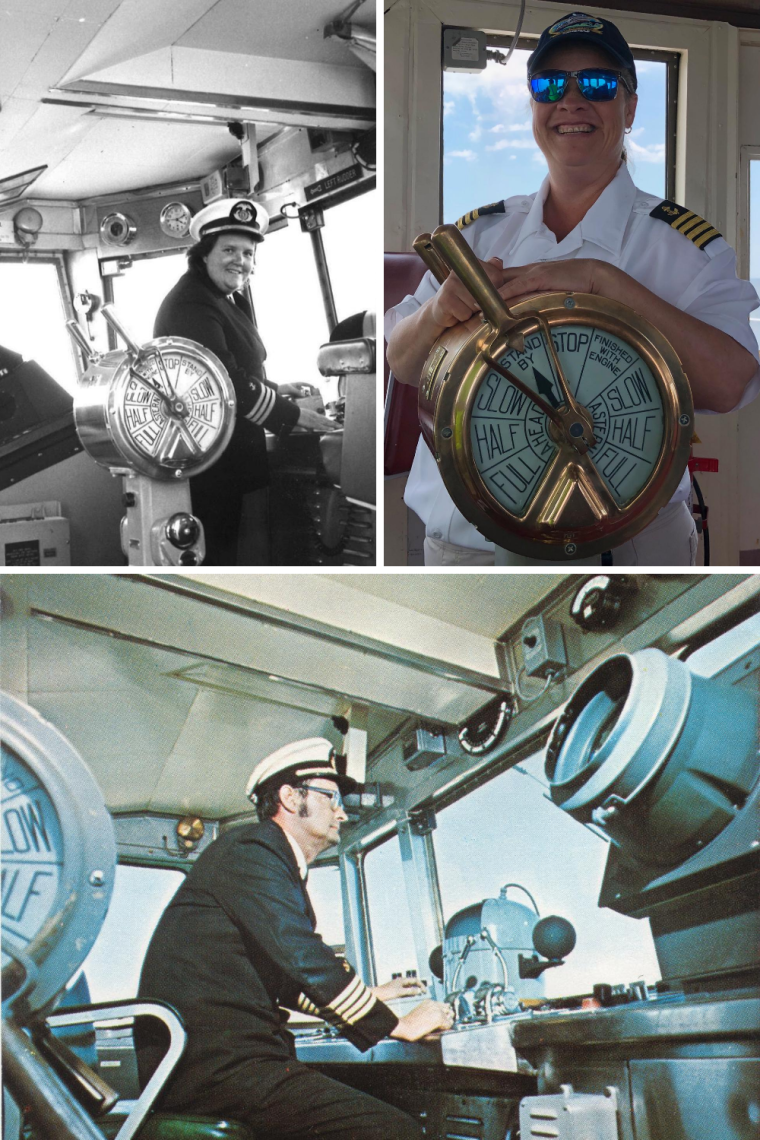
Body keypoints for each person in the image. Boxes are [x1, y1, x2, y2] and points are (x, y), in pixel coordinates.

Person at [386, 10, 760, 567]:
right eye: (550, 84)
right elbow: (402, 360)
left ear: (630, 108)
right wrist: (440, 310)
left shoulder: (683, 248)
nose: (572, 100)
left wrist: (601, 281)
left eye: (599, 85)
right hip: (467, 553)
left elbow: (730, 383)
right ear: (535, 106)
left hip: (628, 550)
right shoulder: (480, 234)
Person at [136, 738, 454, 1139]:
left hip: (220, 1064)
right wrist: (397, 1025)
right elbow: (301, 954)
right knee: (395, 1130)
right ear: (289, 797)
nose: (341, 812)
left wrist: (371, 995)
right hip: (216, 1070)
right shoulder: (252, 850)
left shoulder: (269, 862)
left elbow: (284, 978)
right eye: (331, 797)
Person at [154, 198, 335, 565]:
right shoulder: (192, 303)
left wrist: (276, 389)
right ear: (204, 254)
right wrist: (295, 416)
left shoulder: (224, 299)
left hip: (233, 460)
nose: (241, 260)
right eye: (230, 250)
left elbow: (234, 369)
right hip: (212, 471)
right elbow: (223, 382)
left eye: (248, 253)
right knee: (221, 557)